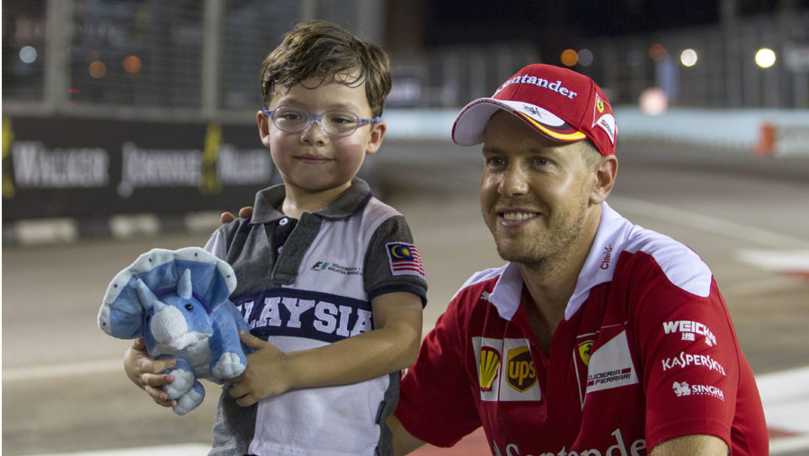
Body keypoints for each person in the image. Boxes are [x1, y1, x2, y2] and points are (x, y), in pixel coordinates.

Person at [385, 64, 768, 455]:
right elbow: (375, 438)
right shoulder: (478, 315)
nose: (510, 185)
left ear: (601, 180)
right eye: (496, 161)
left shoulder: (664, 281)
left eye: (541, 161)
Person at [123, 20, 427, 456]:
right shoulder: (231, 240)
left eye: (340, 119)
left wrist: (288, 371)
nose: (314, 133)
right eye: (293, 114)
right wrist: (142, 365)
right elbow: (168, 332)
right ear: (265, 127)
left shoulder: (379, 228)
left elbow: (401, 339)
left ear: (373, 135)